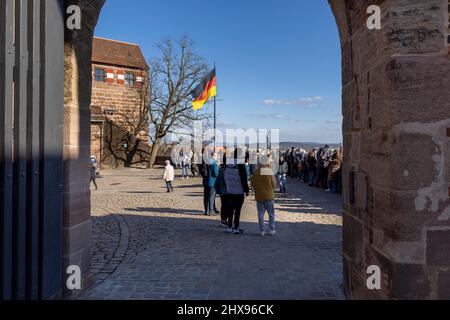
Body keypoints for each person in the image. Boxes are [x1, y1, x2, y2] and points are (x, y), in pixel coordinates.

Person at [219, 148, 250, 234]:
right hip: (239, 190)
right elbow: (244, 179)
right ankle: (236, 227)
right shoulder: (241, 165)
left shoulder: (228, 164)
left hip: (229, 190)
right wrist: (246, 190)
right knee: (238, 210)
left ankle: (229, 226)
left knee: (230, 208)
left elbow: (225, 176)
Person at [252, 155, 277, 237]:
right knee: (271, 213)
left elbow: (253, 184)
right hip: (269, 195)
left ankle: (262, 230)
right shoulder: (268, 171)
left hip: (259, 196)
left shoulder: (255, 172)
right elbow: (274, 184)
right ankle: (272, 229)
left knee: (260, 214)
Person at [203, 152, 219, 216]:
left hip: (205, 181)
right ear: (214, 156)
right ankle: (211, 211)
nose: (217, 157)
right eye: (216, 156)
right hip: (212, 182)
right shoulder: (214, 163)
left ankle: (206, 211)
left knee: (206, 197)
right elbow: (215, 173)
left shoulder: (206, 161)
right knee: (211, 197)